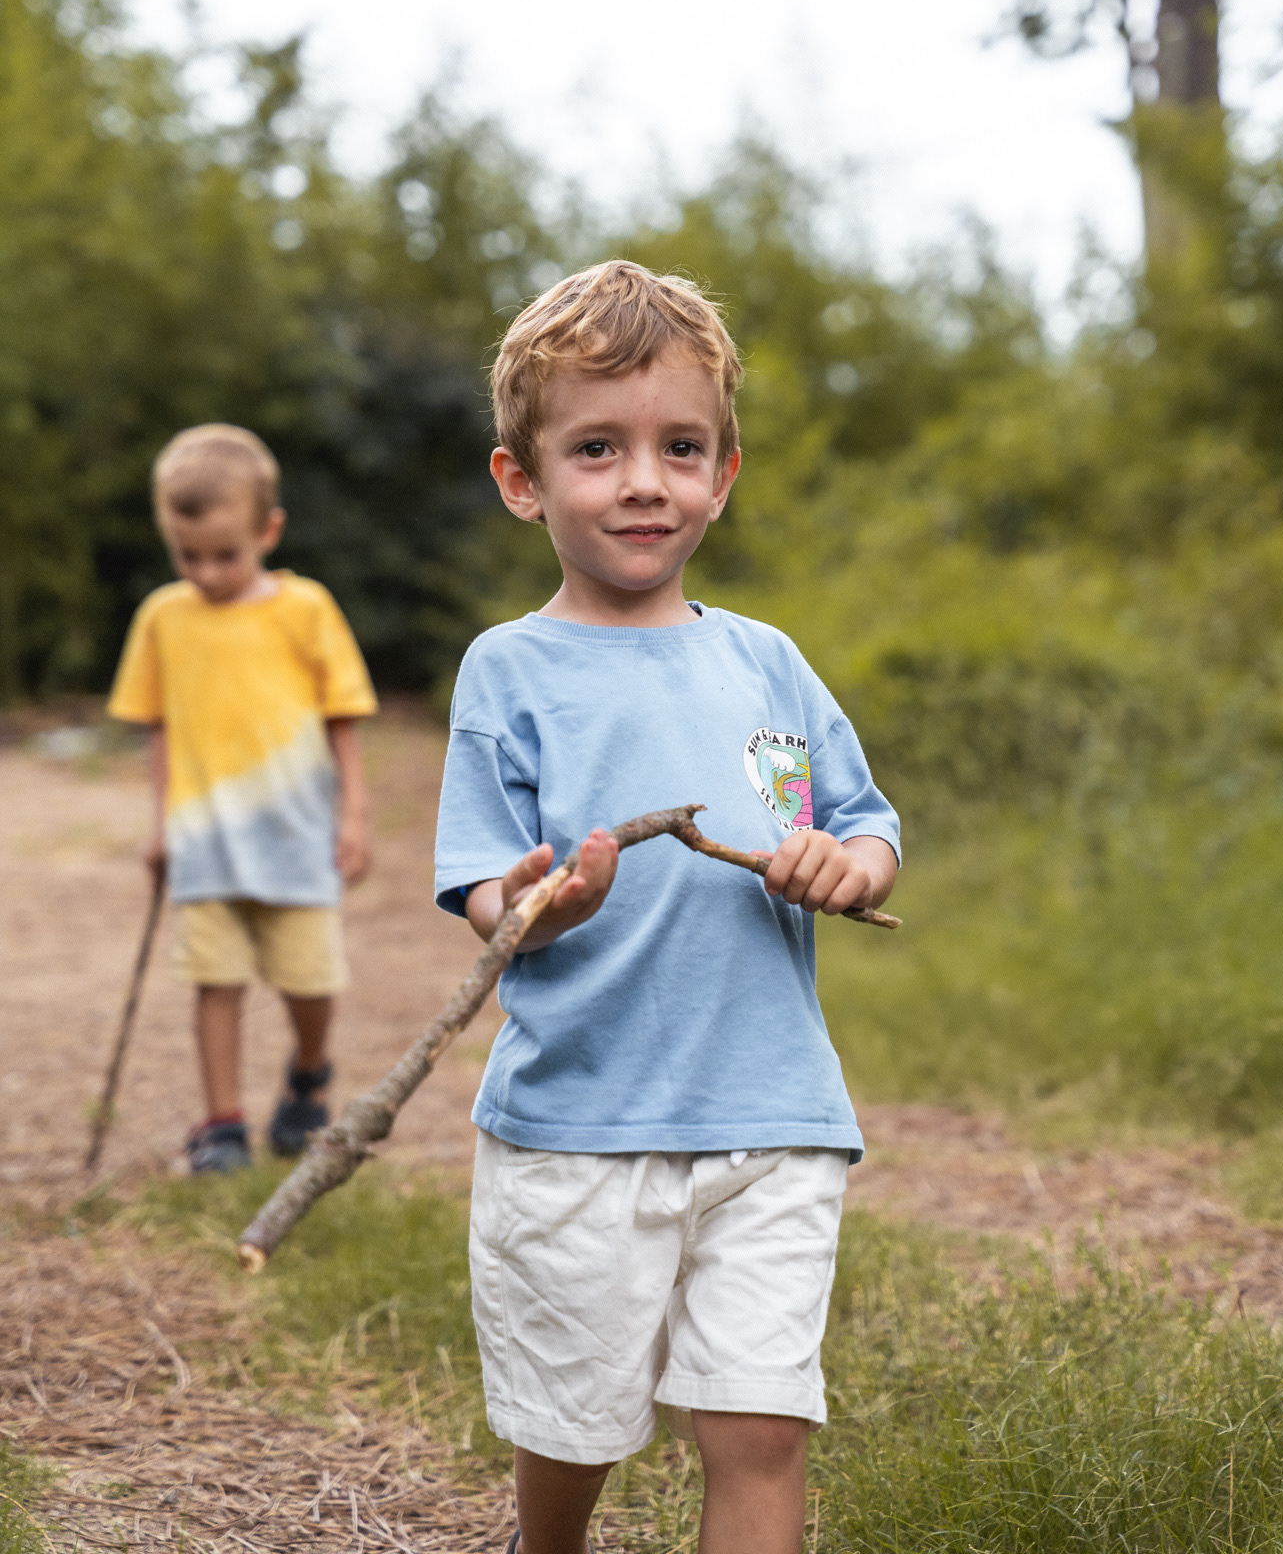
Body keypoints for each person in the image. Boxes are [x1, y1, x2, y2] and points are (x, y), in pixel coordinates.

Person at [434, 262, 900, 1554]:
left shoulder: (768, 662)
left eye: (679, 448)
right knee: (574, 1425)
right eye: (598, 448)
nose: (645, 480)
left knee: (758, 1426)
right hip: (580, 1125)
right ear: (522, 480)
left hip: (773, 1114)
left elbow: (861, 824)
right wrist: (541, 902)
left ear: (724, 472)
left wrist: (844, 869)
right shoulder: (511, 672)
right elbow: (484, 887)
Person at [108, 423, 377, 1175]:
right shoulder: (163, 618)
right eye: (187, 556)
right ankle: (222, 1124)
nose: (206, 573)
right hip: (204, 839)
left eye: (225, 555)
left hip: (298, 836)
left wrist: (353, 818)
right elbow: (156, 729)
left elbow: (344, 721)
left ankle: (309, 1071)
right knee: (213, 982)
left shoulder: (306, 609)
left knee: (309, 982)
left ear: (269, 530)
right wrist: (160, 824)